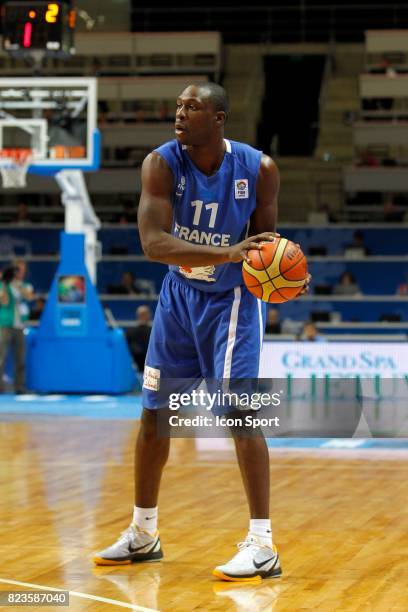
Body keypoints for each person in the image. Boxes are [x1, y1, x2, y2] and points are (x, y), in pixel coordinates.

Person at [94, 82, 309, 580]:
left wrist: (285, 276)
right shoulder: (161, 164)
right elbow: (153, 244)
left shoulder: (259, 170)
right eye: (178, 106)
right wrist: (227, 253)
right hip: (178, 300)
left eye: (192, 108)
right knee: (153, 415)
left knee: (240, 415)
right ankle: (143, 533)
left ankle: (262, 544)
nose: (180, 114)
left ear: (218, 119)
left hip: (232, 302)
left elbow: (265, 247)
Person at [0, 260, 33, 393]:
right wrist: (4, 284)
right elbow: (4, 301)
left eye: (22, 270)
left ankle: (19, 387)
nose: (19, 272)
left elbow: (29, 297)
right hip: (5, 325)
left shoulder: (26, 285)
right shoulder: (3, 286)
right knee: (1, 357)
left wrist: (17, 285)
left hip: (20, 326)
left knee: (20, 358)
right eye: (17, 269)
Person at [126, 305, 153, 372]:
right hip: (151, 370)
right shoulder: (155, 332)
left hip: (136, 369)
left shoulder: (129, 332)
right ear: (148, 315)